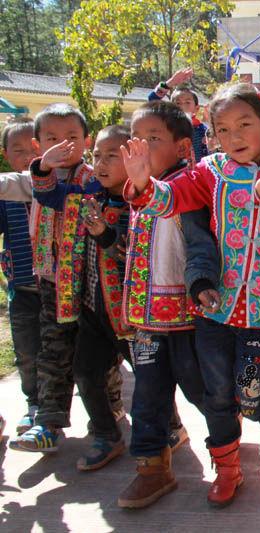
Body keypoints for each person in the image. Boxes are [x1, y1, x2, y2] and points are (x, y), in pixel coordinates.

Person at [122, 83, 260, 507]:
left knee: (249, 391)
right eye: (223, 129)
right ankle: (227, 469)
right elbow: (170, 199)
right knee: (216, 395)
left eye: (245, 124)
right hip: (214, 309)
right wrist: (143, 184)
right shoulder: (211, 172)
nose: (235, 137)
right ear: (213, 136)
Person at [115, 101, 206, 509]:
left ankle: (227, 444)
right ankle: (152, 469)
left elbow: (161, 201)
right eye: (138, 139)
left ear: (183, 146)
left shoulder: (190, 184)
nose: (143, 148)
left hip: (189, 316)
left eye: (155, 139)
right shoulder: (134, 185)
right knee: (147, 396)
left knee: (202, 390)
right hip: (148, 319)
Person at [44, 125, 132, 471]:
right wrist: (44, 167)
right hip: (93, 309)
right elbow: (48, 194)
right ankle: (107, 435)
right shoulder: (88, 197)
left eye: (113, 155)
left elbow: (133, 257)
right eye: (98, 155)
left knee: (151, 376)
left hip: (127, 313)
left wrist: (106, 235)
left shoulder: (136, 202)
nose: (102, 163)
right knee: (85, 371)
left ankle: (170, 430)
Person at [9, 104, 95, 453]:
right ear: (36, 144)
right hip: (51, 280)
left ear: (87, 140)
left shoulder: (94, 177)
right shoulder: (36, 177)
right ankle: (48, 421)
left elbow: (60, 198)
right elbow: (30, 186)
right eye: (52, 139)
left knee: (98, 356)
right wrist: (44, 167)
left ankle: (116, 410)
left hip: (93, 281)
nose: (63, 146)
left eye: (72, 138)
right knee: (52, 350)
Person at [0, 118, 41, 436]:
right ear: (5, 155)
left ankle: (107, 404)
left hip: (62, 288)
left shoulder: (57, 187)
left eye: (35, 148)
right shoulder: (5, 196)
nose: (28, 156)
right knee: (27, 351)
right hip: (23, 286)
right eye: (18, 150)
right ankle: (35, 405)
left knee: (75, 354)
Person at [150, 67, 210, 162]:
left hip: (199, 174)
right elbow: (152, 101)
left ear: (196, 108)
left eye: (187, 102)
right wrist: (170, 83)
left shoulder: (204, 130)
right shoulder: (167, 127)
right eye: (178, 103)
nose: (182, 106)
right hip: (174, 173)